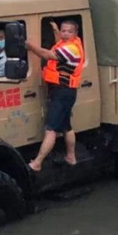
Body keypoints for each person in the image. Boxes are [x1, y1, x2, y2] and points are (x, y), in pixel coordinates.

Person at [24, 20, 85, 172]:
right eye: (63, 30)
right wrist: (55, 31)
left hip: (62, 92)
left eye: (69, 31)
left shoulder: (72, 49)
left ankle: (37, 163)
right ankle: (71, 156)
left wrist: (28, 45)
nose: (65, 33)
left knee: (51, 129)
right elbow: (59, 45)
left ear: (75, 33)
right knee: (66, 126)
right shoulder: (70, 44)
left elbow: (47, 54)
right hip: (65, 91)